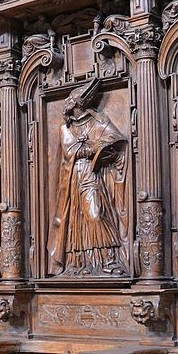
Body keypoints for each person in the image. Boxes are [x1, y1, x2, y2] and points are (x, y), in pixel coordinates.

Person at [47, 80, 128, 276]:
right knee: (78, 218)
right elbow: (70, 151)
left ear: (78, 103)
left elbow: (115, 139)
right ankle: (81, 262)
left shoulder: (99, 121)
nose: (67, 102)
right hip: (75, 175)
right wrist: (91, 148)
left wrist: (98, 148)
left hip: (92, 173)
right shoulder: (65, 128)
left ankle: (109, 259)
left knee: (95, 213)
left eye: (71, 99)